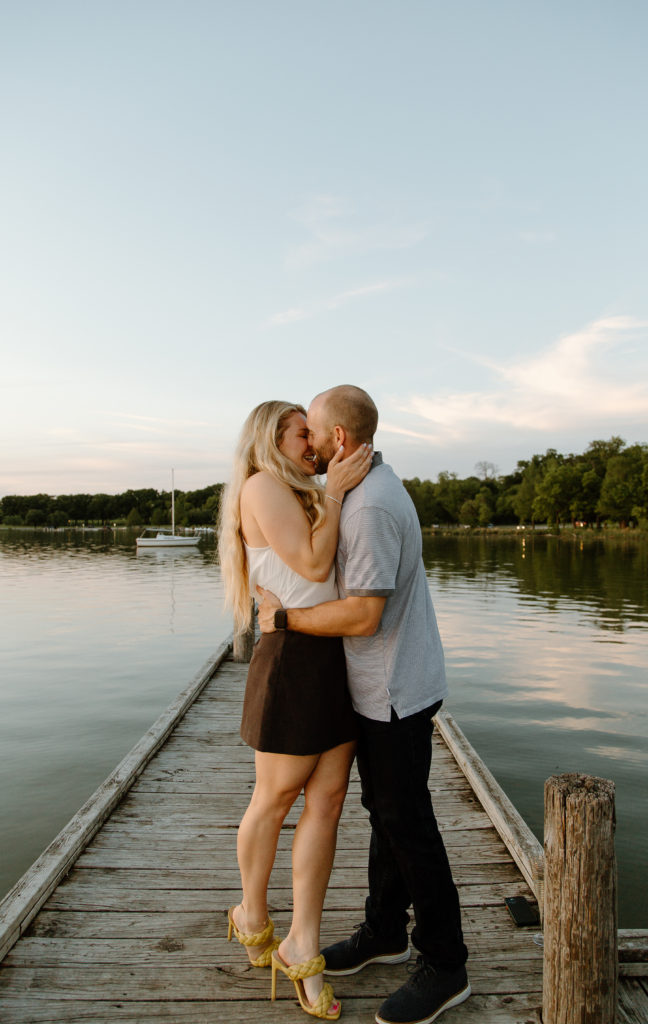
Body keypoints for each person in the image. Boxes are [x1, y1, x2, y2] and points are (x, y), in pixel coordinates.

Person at [257, 386, 470, 1024]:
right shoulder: (357, 491)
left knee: (408, 825)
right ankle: (384, 931)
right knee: (386, 813)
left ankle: (446, 962)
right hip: (384, 686)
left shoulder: (370, 506)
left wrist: (286, 619)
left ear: (340, 441)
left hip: (395, 690)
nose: (312, 445)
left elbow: (366, 614)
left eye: (315, 434)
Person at [217, 400, 373, 1021]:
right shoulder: (262, 486)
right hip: (291, 658)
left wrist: (328, 493)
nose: (313, 442)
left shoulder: (305, 490)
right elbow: (310, 562)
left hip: (333, 651)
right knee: (275, 797)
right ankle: (250, 911)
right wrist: (334, 494)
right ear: (271, 439)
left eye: (312, 432)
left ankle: (301, 940)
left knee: (328, 800)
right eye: (301, 433)